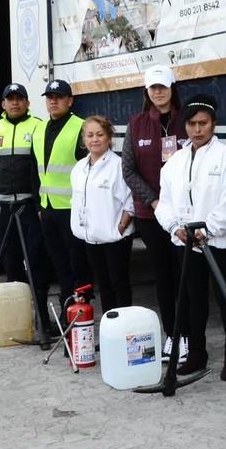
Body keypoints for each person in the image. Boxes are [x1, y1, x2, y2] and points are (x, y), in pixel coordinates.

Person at [155, 94, 226, 379]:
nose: (197, 129)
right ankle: (197, 354)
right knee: (193, 301)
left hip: (217, 243)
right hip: (185, 242)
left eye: (203, 123)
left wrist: (208, 230)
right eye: (192, 124)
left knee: (225, 298)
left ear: (213, 124)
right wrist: (174, 227)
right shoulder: (175, 162)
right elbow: (164, 201)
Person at [122, 64, 190, 361]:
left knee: (184, 274)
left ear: (173, 88)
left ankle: (189, 334)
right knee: (163, 275)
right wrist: (153, 201)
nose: (159, 92)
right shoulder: (136, 124)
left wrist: (175, 204)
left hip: (184, 213)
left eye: (163, 86)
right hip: (151, 216)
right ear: (147, 92)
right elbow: (128, 169)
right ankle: (172, 336)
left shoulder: (187, 120)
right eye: (153, 87)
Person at [0, 83, 54, 334]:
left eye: (19, 99)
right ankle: (17, 319)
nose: (15, 103)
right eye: (10, 99)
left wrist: (40, 201)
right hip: (1, 206)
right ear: (3, 104)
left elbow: (41, 168)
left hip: (28, 206)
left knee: (35, 261)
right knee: (10, 263)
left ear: (27, 103)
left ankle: (41, 317)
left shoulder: (37, 126)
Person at [33, 79, 93, 304]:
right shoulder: (40, 128)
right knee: (59, 264)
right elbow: (34, 169)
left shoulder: (81, 127)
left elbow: (88, 169)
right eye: (50, 98)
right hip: (48, 209)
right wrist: (39, 205)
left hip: (72, 209)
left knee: (78, 263)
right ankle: (67, 307)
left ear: (70, 101)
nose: (53, 101)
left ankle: (81, 308)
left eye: (58, 97)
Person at [70, 115, 136, 311]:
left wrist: (122, 225)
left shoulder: (118, 165)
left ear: (109, 138)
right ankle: (110, 332)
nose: (94, 139)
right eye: (90, 135)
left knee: (119, 283)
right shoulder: (79, 168)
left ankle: (124, 330)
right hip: (91, 238)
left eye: (100, 134)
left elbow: (130, 200)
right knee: (103, 286)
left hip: (115, 238)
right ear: (84, 139)